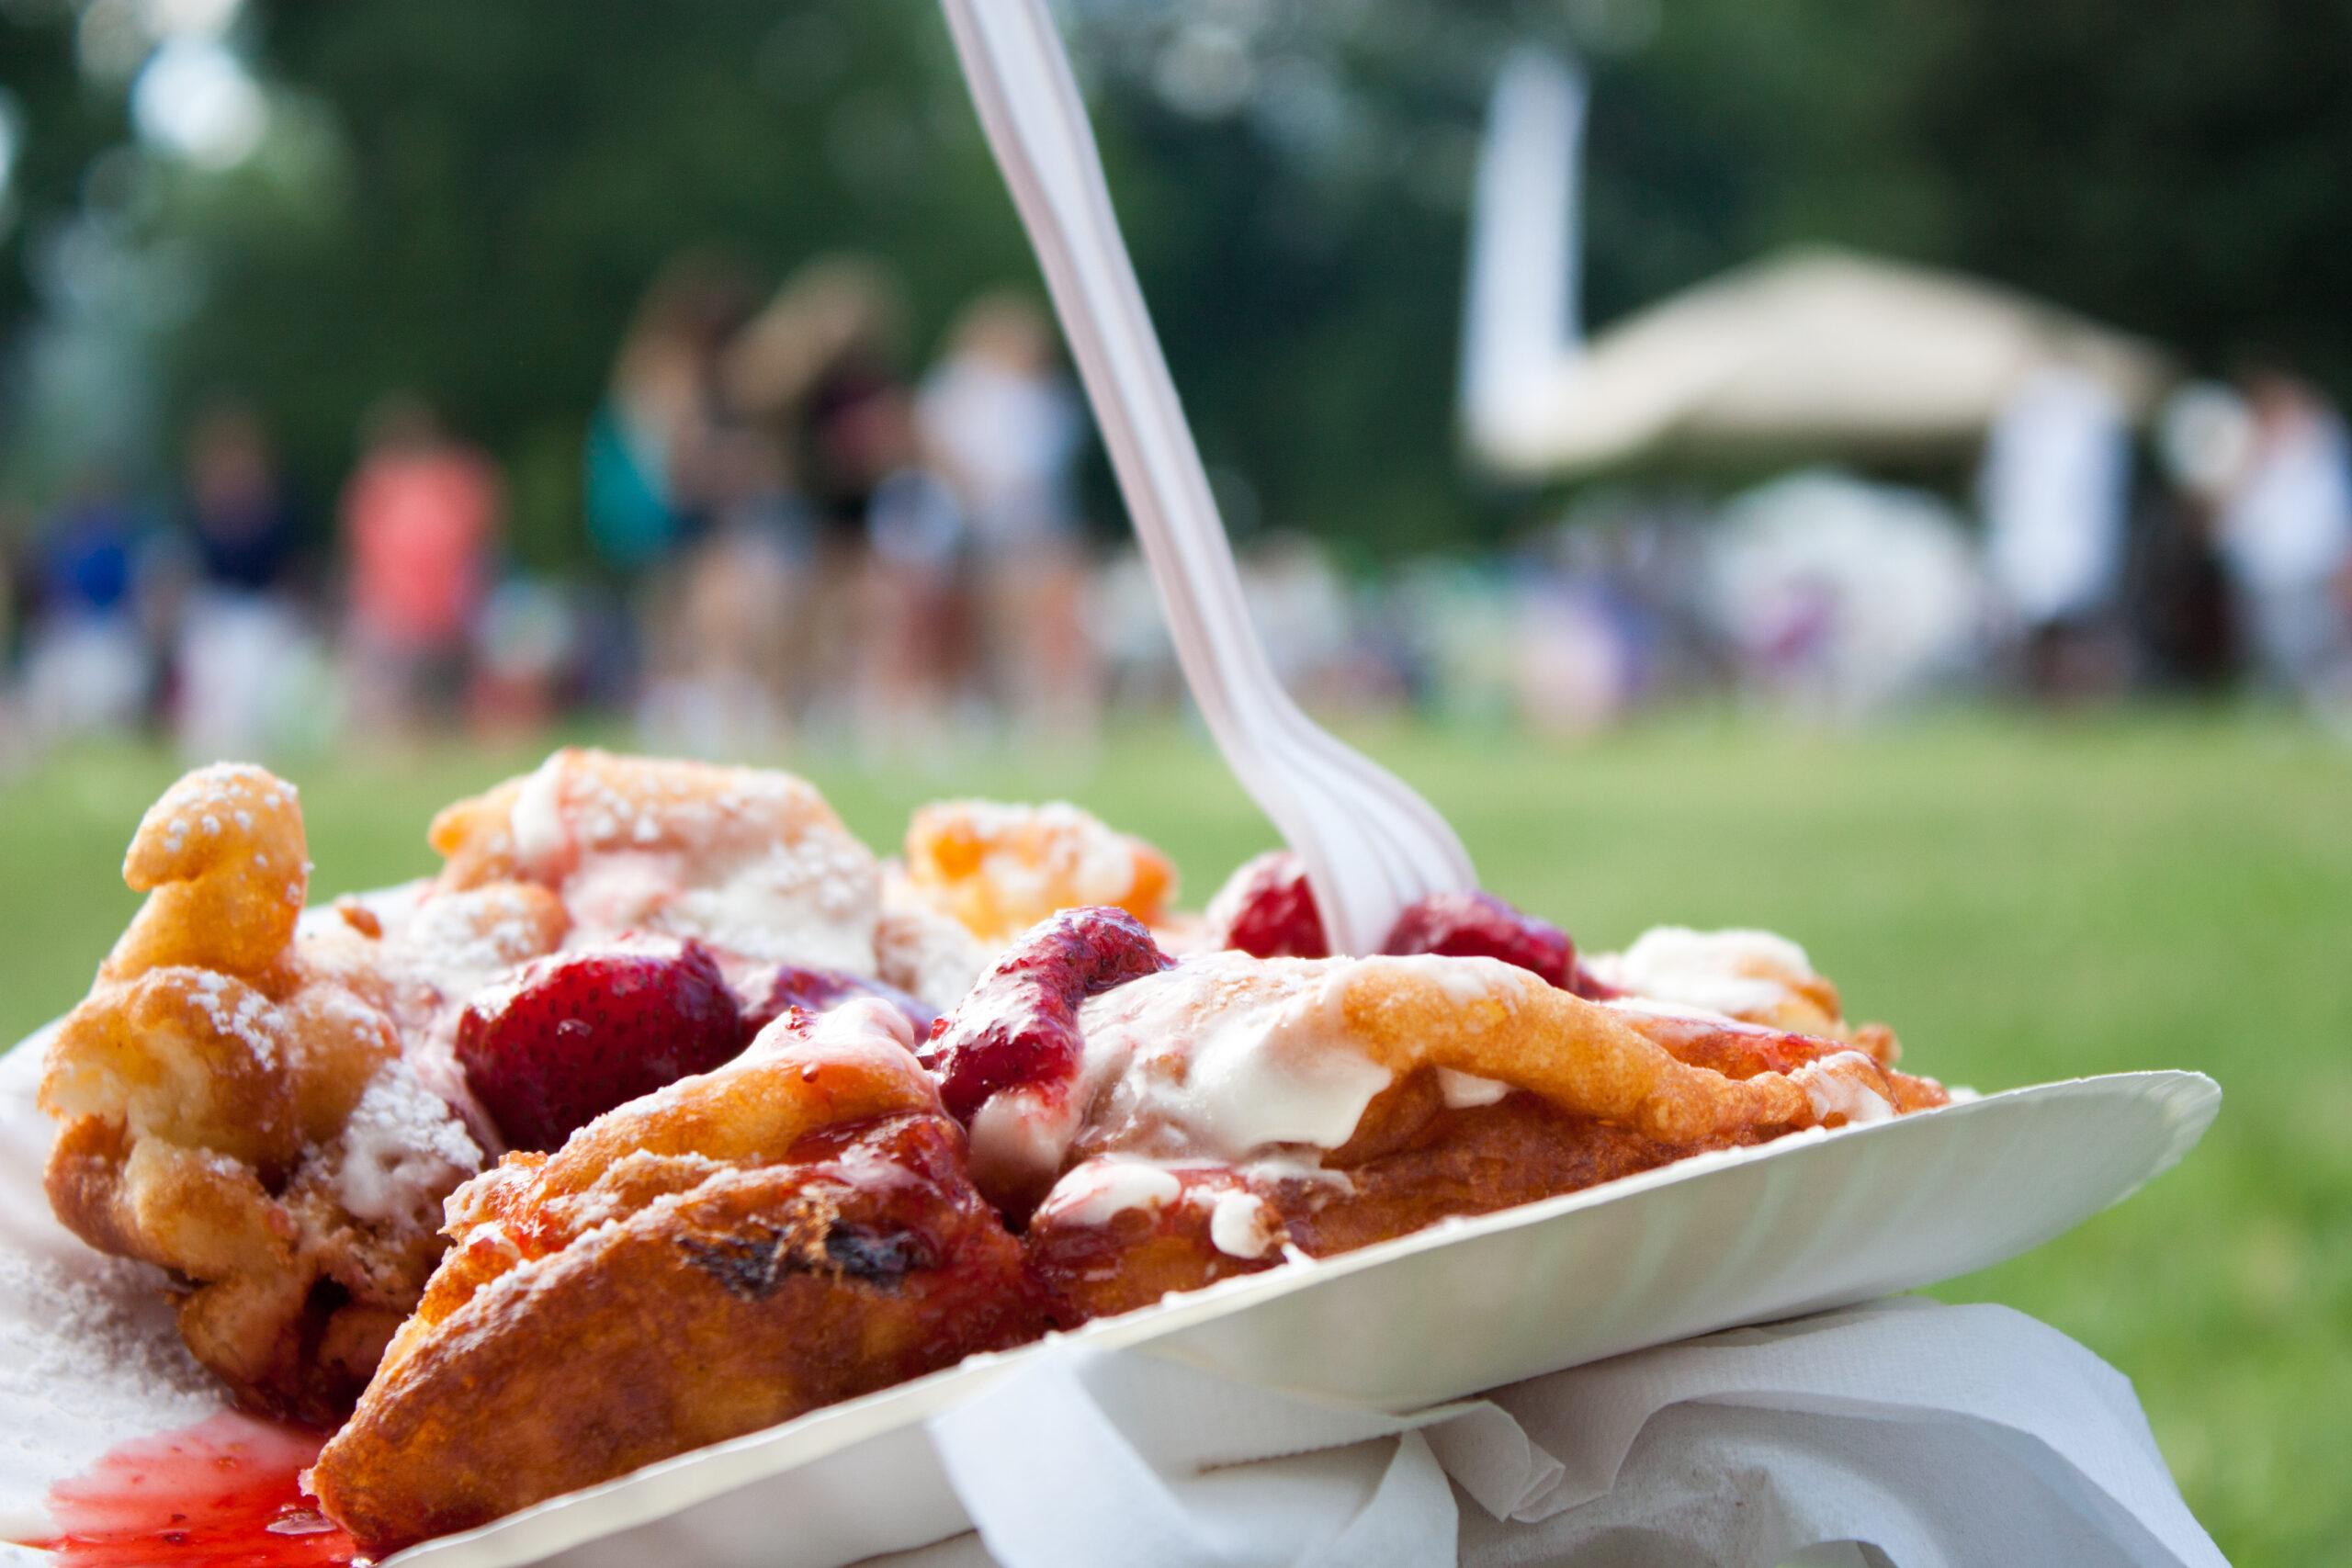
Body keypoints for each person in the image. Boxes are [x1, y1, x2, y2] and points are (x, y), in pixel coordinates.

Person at [917, 291, 1097, 743]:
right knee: (987, 619)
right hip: (975, 521)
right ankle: (986, 702)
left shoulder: (1049, 397)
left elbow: (1044, 466)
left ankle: (1051, 705)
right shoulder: (960, 387)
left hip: (1036, 522)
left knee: (1046, 615)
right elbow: (938, 448)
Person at [339, 396, 502, 737]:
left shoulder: (455, 480)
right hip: (399, 619)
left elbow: (476, 553)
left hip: (452, 613)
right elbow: (368, 565)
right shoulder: (375, 490)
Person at [1978, 366, 2133, 697]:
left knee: (2068, 624)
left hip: (2064, 541)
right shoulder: (2032, 414)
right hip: (2049, 542)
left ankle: (2070, 691)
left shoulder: (2082, 413)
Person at [172, 401, 313, 756]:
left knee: (257, 684)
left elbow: (288, 565)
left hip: (262, 610)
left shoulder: (273, 507)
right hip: (216, 608)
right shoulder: (200, 506)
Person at [2211, 368, 2352, 702]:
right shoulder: (2247, 445)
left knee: (2308, 638)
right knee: (2268, 639)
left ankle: (2317, 698)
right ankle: (2281, 698)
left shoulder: (2316, 445)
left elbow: (2327, 507)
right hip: (2263, 564)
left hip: (2305, 560)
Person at [20, 464, 153, 740]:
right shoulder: (60, 541)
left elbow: (130, 595)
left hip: (109, 630)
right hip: (68, 628)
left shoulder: (120, 545)